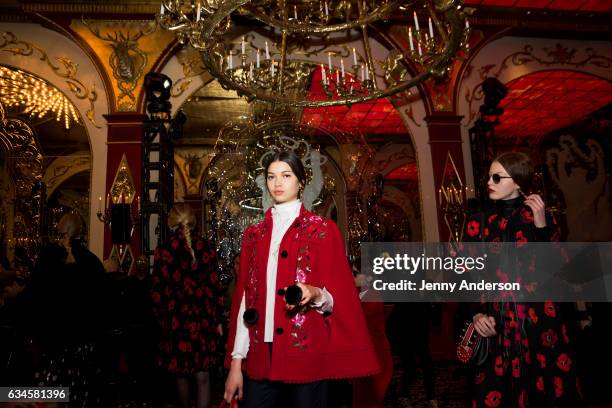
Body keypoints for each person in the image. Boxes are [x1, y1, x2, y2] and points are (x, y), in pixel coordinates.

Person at [223, 150, 380, 408]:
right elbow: (245, 302)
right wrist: (236, 363)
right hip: (261, 355)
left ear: (300, 181)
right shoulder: (254, 235)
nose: (278, 183)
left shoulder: (322, 230)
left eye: (286, 175)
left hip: (307, 356)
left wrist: (316, 293)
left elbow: (337, 299)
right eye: (271, 177)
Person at [465, 152, 580, 408]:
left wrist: (540, 228)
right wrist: (477, 313)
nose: (489, 182)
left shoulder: (543, 219)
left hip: (540, 321)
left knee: (547, 392)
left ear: (517, 182)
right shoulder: (478, 224)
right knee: (493, 392)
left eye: (497, 177)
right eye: (489, 176)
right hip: (497, 322)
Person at [151, 203, 224, 408]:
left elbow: (157, 293)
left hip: (176, 322)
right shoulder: (207, 248)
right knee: (203, 378)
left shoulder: (164, 250)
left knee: (181, 375)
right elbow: (214, 286)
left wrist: (163, 320)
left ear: (171, 222)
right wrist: (217, 319)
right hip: (203, 322)